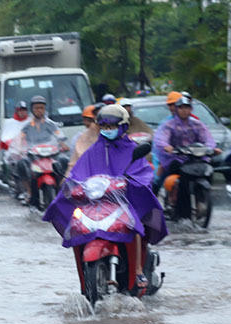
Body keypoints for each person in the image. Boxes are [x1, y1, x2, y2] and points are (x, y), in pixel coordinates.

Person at [44, 104, 167, 295]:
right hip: (96, 204)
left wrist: (132, 183)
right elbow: (78, 173)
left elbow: (142, 173)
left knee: (133, 221)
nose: (108, 130)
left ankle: (138, 271)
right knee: (76, 225)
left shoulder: (132, 149)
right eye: (104, 127)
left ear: (123, 126)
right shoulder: (93, 151)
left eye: (112, 126)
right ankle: (86, 282)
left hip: (124, 202)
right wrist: (70, 186)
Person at [153, 96, 218, 213]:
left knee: (208, 169)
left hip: (195, 158)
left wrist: (211, 148)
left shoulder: (198, 124)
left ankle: (201, 199)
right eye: (181, 108)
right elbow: (160, 139)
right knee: (163, 179)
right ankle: (174, 207)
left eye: (187, 107)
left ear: (191, 109)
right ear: (176, 109)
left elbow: (208, 139)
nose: (184, 110)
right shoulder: (169, 125)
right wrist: (166, 146)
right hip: (176, 157)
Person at [14, 95, 69, 205]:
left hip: (51, 155)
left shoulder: (51, 124)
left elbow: (59, 136)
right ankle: (29, 191)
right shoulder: (27, 126)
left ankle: (64, 190)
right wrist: (19, 148)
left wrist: (63, 145)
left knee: (64, 160)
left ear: (45, 109)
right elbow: (20, 138)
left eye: (41, 108)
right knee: (21, 163)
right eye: (36, 108)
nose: (39, 110)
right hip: (33, 155)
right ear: (32, 109)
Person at [67, 104, 101, 174]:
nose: (87, 123)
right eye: (85, 120)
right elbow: (73, 163)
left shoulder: (108, 136)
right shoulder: (79, 137)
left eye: (90, 120)